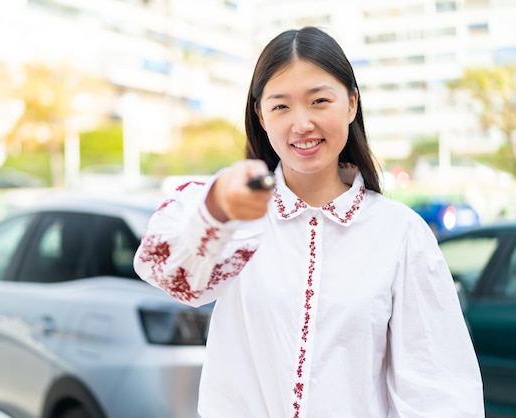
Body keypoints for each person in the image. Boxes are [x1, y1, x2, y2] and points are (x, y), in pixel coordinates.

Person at [133, 26, 484, 417]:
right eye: (281, 106)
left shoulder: (400, 233)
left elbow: (438, 388)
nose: (301, 124)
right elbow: (168, 274)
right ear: (260, 115)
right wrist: (218, 210)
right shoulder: (234, 215)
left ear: (351, 104)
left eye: (319, 101)